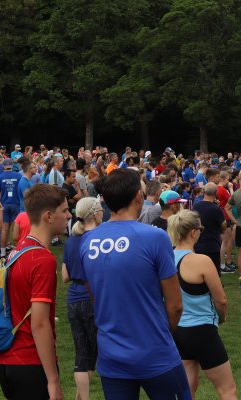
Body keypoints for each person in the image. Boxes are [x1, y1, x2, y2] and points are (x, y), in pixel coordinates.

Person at [76, 169, 190, 400]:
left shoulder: (87, 242)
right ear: (138, 196)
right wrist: (159, 335)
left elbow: (95, 295)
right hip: (155, 352)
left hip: (111, 353)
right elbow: (175, 305)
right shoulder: (155, 237)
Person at [0, 184, 71, 400]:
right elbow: (39, 323)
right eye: (64, 210)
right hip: (30, 361)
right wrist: (53, 380)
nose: (68, 216)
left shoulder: (17, 251)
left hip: (6, 360)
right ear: (49, 216)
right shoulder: (42, 259)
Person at [168, 210, 237, 400]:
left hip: (177, 330)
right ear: (193, 232)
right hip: (202, 330)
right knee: (227, 390)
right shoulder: (201, 261)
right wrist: (221, 318)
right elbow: (221, 300)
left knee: (188, 387)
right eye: (200, 228)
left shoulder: (166, 258)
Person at [62, 197, 102, 400]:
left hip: (74, 300)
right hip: (94, 299)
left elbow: (65, 276)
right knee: (99, 350)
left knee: (82, 353)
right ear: (95, 214)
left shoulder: (71, 241)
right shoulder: (99, 239)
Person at [193, 183, 227, 273]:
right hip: (212, 245)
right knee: (214, 272)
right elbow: (223, 225)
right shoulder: (216, 209)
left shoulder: (195, 206)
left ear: (204, 192)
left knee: (199, 273)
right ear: (216, 193)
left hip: (197, 244)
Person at [0, 158, 22, 256]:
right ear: (12, 166)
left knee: (5, 229)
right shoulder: (19, 176)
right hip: (16, 204)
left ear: (4, 166)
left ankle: (2, 252)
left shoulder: (0, 177)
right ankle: (18, 251)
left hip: (4, 205)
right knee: (16, 229)